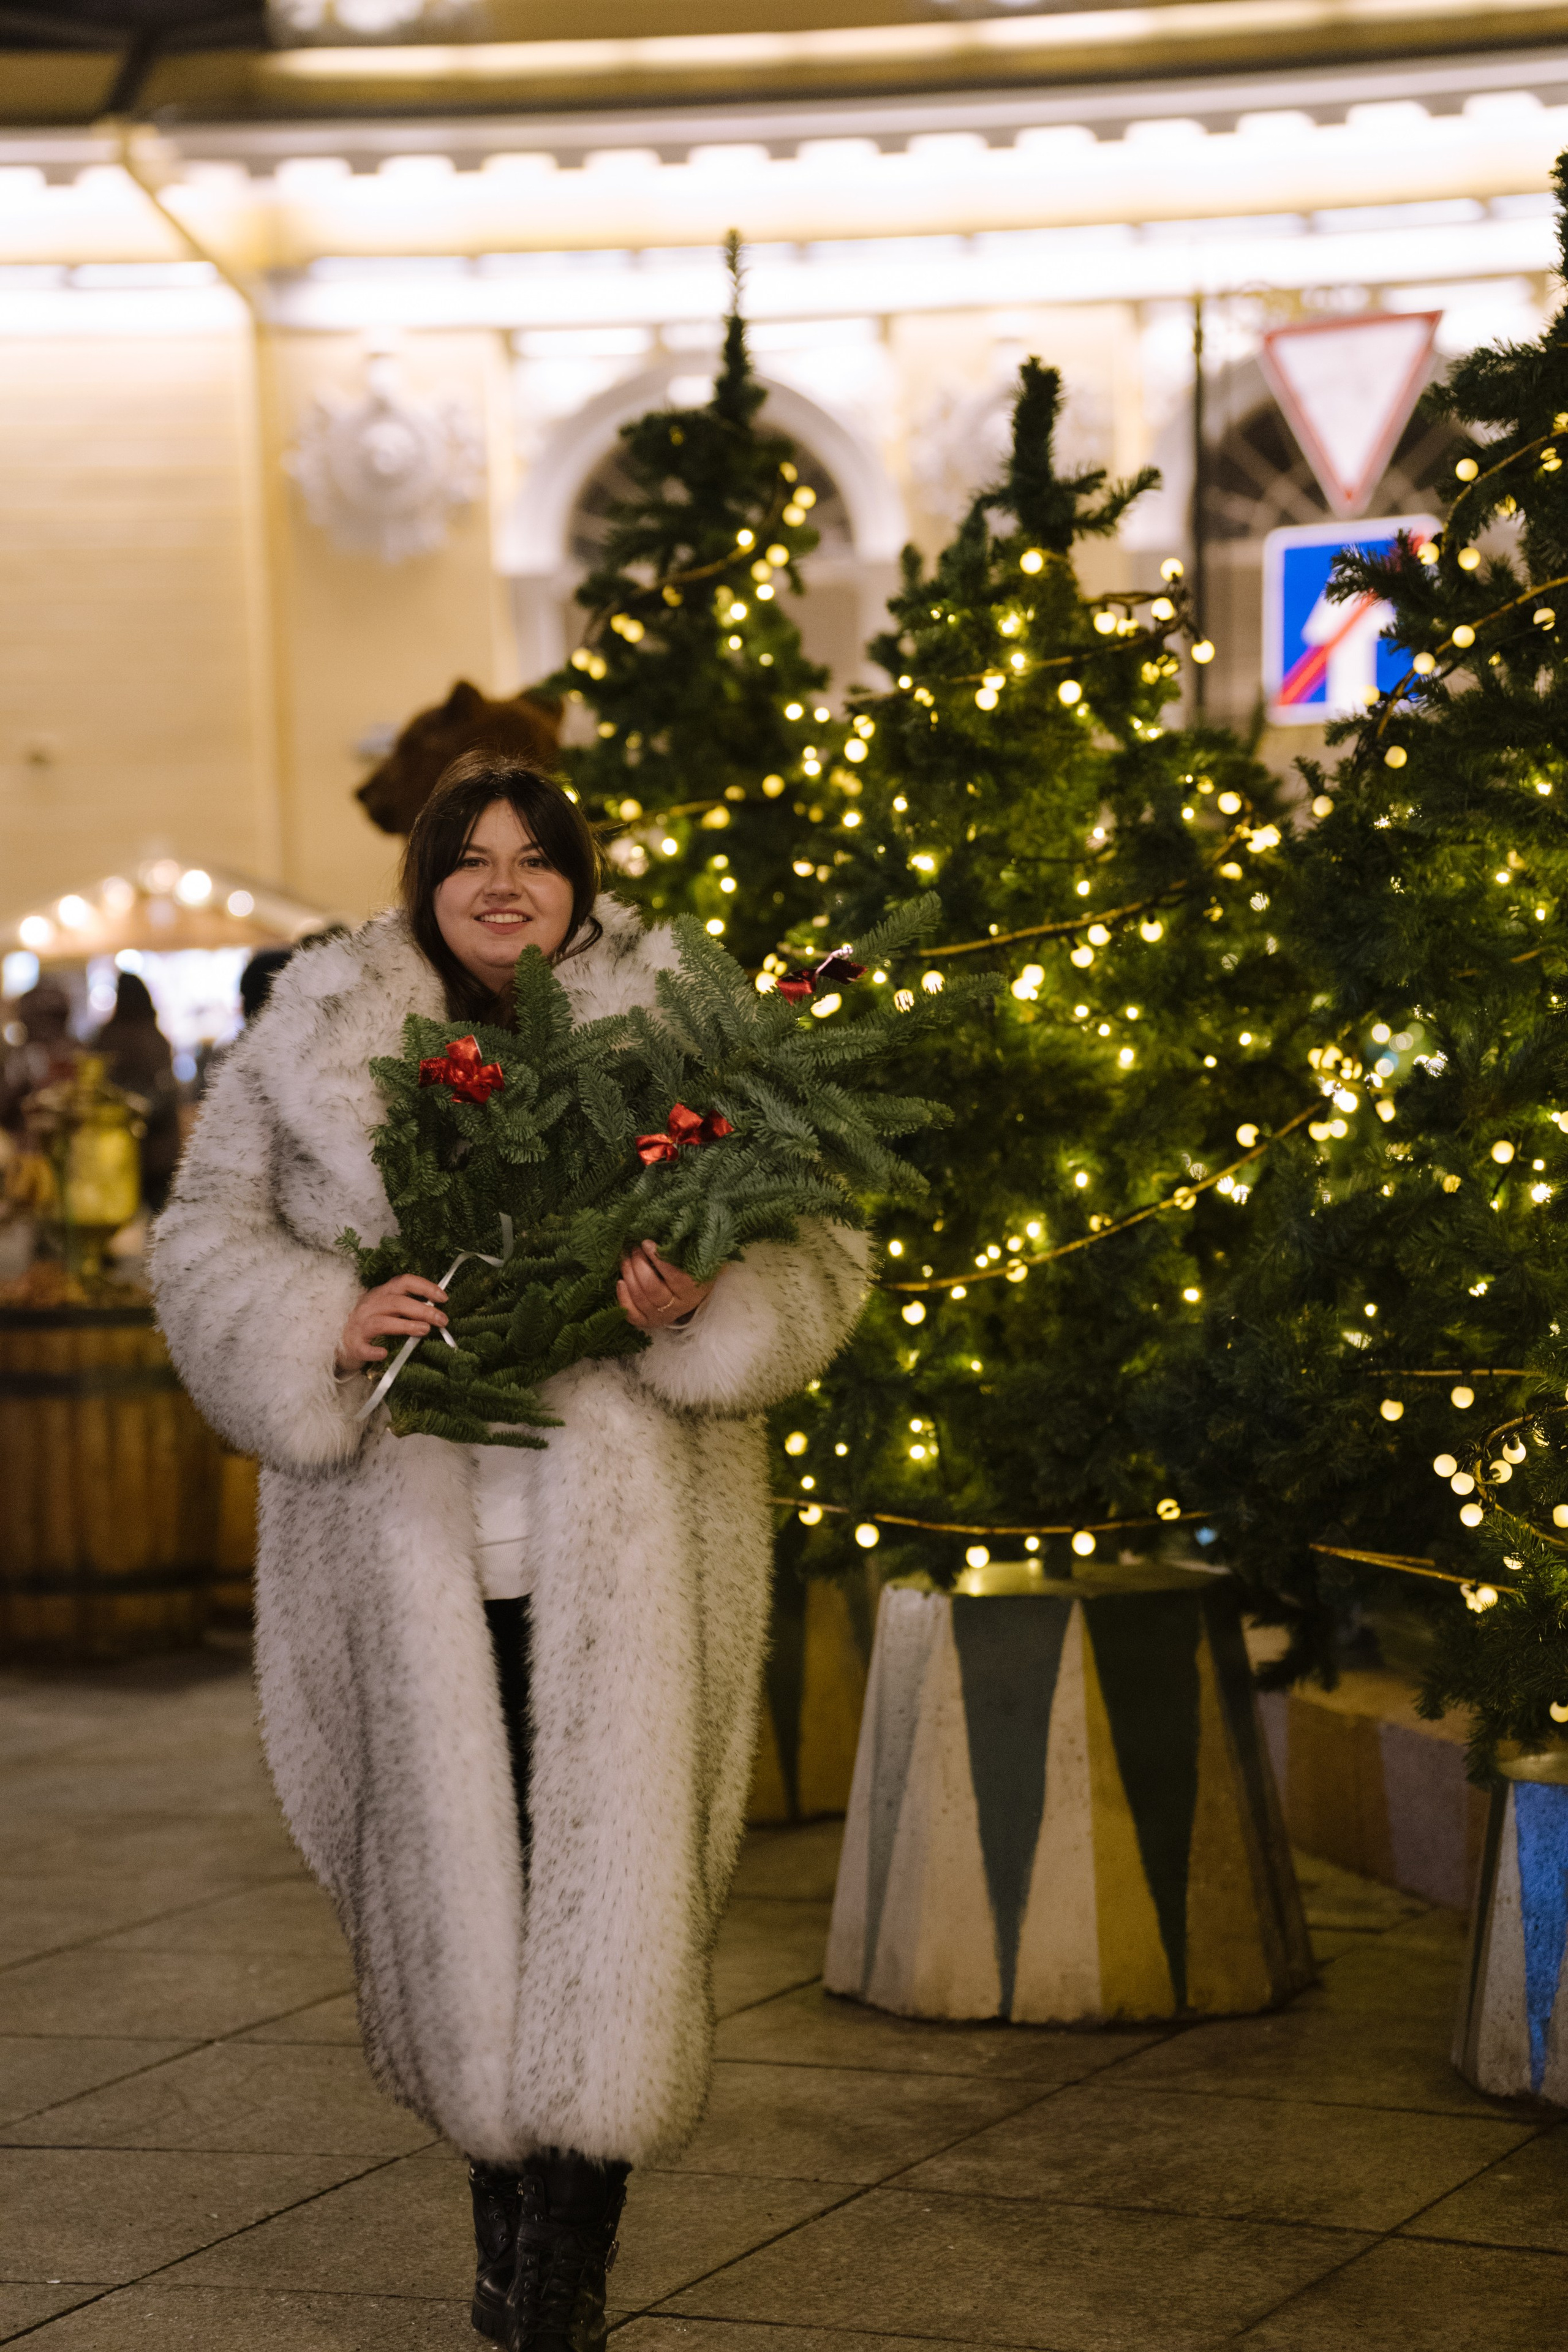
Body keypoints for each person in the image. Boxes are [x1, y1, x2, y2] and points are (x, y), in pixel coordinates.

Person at [153, 753, 869, 2352]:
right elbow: (204, 1240)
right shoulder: (324, 1030)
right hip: (408, 1564)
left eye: (535, 857)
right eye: (470, 857)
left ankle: (561, 2292)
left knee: (603, 1912)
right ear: (424, 876)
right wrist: (324, 1319)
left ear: (578, 877)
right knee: (465, 1915)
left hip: (624, 1566)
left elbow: (815, 1243)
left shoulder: (683, 1018)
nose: (502, 883)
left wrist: (702, 1300)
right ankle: (505, 2216)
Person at [91, 971, 181, 1212]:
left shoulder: (106, 1038)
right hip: (159, 1149)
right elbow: (167, 1090)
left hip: (116, 1146)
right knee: (159, 1218)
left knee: (114, 1215)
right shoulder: (155, 1037)